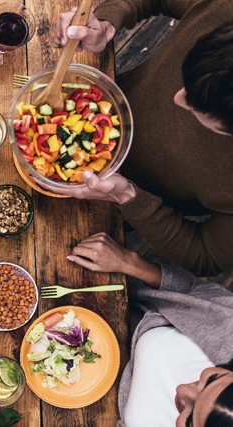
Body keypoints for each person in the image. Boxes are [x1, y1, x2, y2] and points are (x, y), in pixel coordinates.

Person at [43, 0, 233, 277]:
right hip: (101, 103)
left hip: (126, 206)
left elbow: (205, 256)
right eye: (185, 80)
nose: (177, 98)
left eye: (196, 106)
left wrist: (127, 196)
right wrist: (106, 23)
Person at [67, 232, 233, 426]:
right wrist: (128, 262)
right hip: (111, 305)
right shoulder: (228, 326)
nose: (181, 390)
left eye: (189, 419)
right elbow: (190, 290)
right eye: (211, 379)